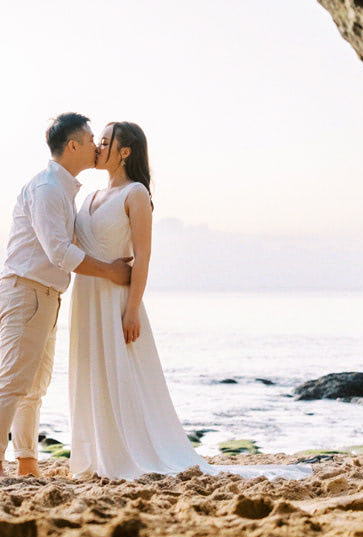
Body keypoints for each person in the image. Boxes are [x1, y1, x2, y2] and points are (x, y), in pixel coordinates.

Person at [68, 121, 310, 481]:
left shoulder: (135, 195)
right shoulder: (87, 198)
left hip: (117, 300)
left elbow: (143, 258)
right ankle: (97, 454)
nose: (99, 146)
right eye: (98, 141)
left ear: (125, 151)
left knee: (124, 377)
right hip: (86, 298)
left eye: (106, 141)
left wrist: (132, 310)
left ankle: (129, 452)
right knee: (91, 374)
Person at [0, 113, 133, 484]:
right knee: (14, 380)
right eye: (92, 138)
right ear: (73, 145)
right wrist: (111, 271)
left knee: (34, 386)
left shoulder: (64, 189)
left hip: (44, 294)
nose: (98, 146)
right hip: (25, 290)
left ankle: (27, 463)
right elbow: (59, 252)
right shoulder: (48, 188)